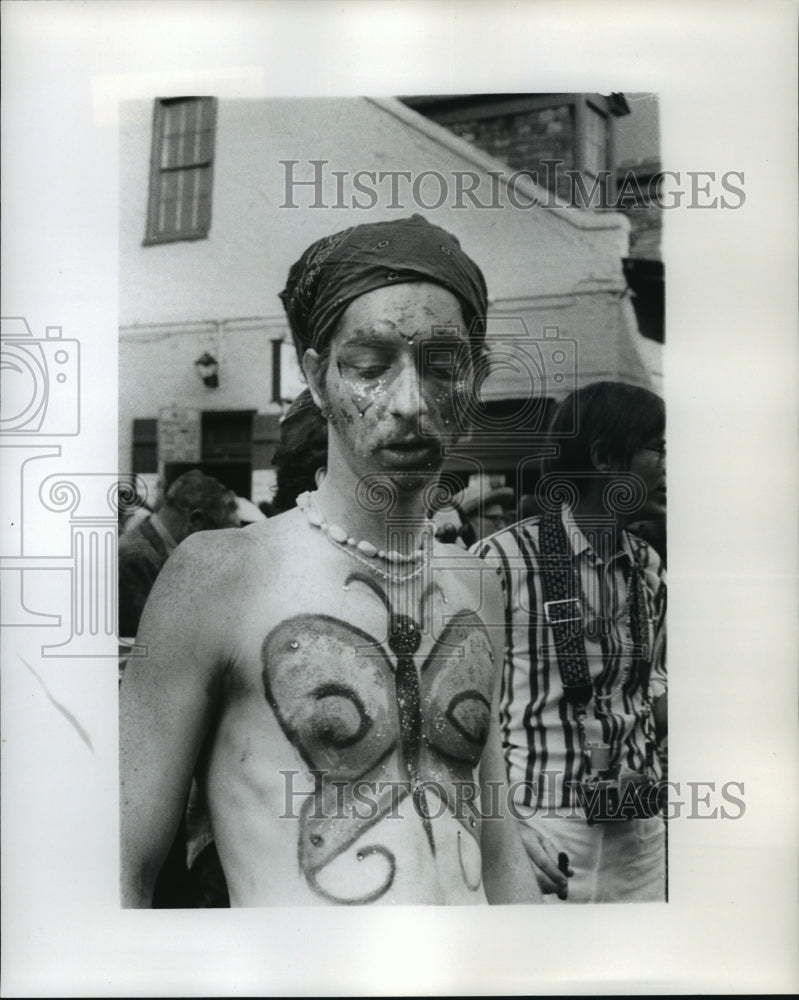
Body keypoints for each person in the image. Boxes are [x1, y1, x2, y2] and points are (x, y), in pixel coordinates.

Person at [120, 214, 541, 907]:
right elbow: (121, 867)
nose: (408, 403)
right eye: (369, 367)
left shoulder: (477, 584)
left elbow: (497, 856)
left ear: (476, 379)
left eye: (441, 366)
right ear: (316, 378)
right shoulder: (220, 574)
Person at [472, 381, 667, 903]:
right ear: (605, 457)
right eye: (659, 448)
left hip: (640, 835)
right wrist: (503, 826)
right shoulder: (501, 562)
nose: (670, 465)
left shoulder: (648, 565)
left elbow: (654, 697)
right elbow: (459, 717)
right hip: (539, 833)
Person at [118, 469, 240, 639]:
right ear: (196, 521)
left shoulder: (147, 549)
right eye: (220, 535)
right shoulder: (137, 559)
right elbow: (157, 639)